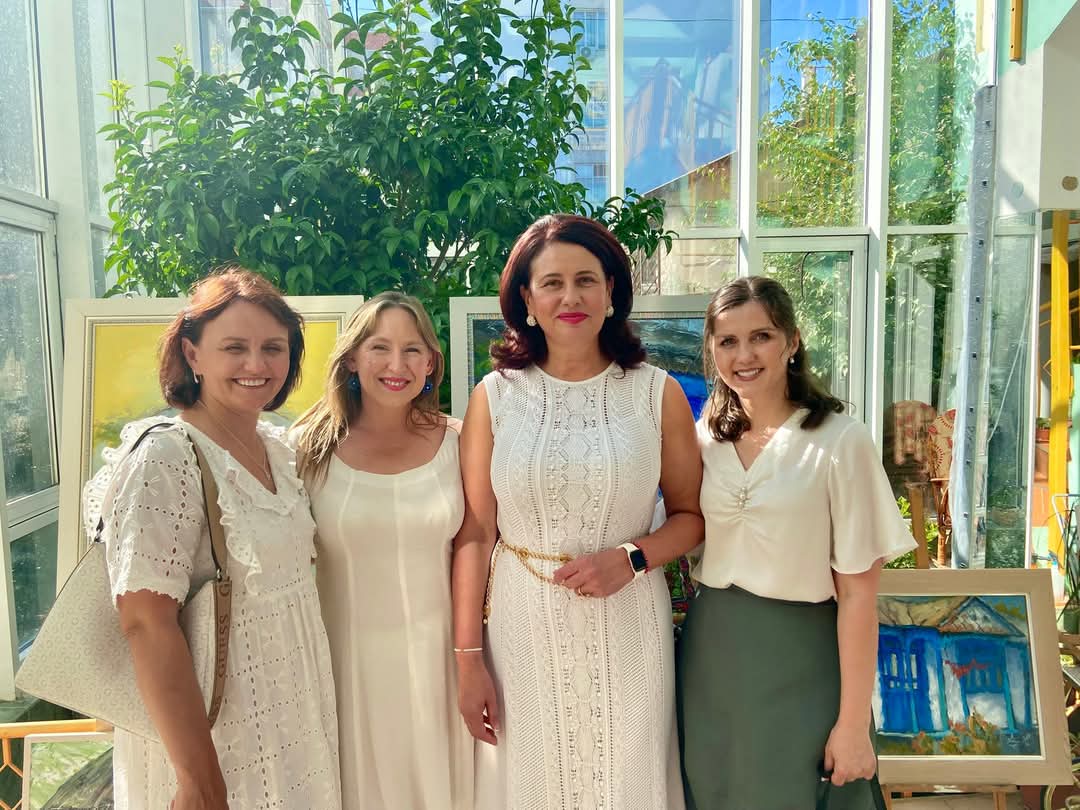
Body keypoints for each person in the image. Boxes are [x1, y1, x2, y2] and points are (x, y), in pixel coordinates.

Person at [453, 213, 704, 809]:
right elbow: (476, 533)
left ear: (611, 290)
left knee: (627, 783)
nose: (570, 297)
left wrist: (632, 558)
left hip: (629, 623)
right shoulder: (494, 396)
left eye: (586, 280)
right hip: (521, 628)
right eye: (552, 283)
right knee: (532, 782)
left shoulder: (657, 392)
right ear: (526, 299)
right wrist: (467, 659)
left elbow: (691, 518)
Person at [84, 267, 341, 810]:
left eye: (273, 348)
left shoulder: (277, 449)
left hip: (288, 716)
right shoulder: (166, 456)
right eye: (235, 348)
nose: (257, 365)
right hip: (215, 737)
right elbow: (145, 622)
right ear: (192, 353)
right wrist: (199, 781)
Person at [677, 276, 915, 809]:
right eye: (727, 341)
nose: (744, 355)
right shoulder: (702, 440)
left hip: (803, 660)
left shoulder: (840, 441)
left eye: (760, 336)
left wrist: (853, 723)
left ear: (792, 341)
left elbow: (858, 594)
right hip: (711, 657)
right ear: (712, 350)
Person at [293, 292, 474, 810]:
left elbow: (480, 543)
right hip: (345, 667)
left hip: (444, 663)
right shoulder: (305, 448)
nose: (398, 365)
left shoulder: (461, 443)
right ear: (352, 357)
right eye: (380, 348)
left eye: (413, 350)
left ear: (431, 362)